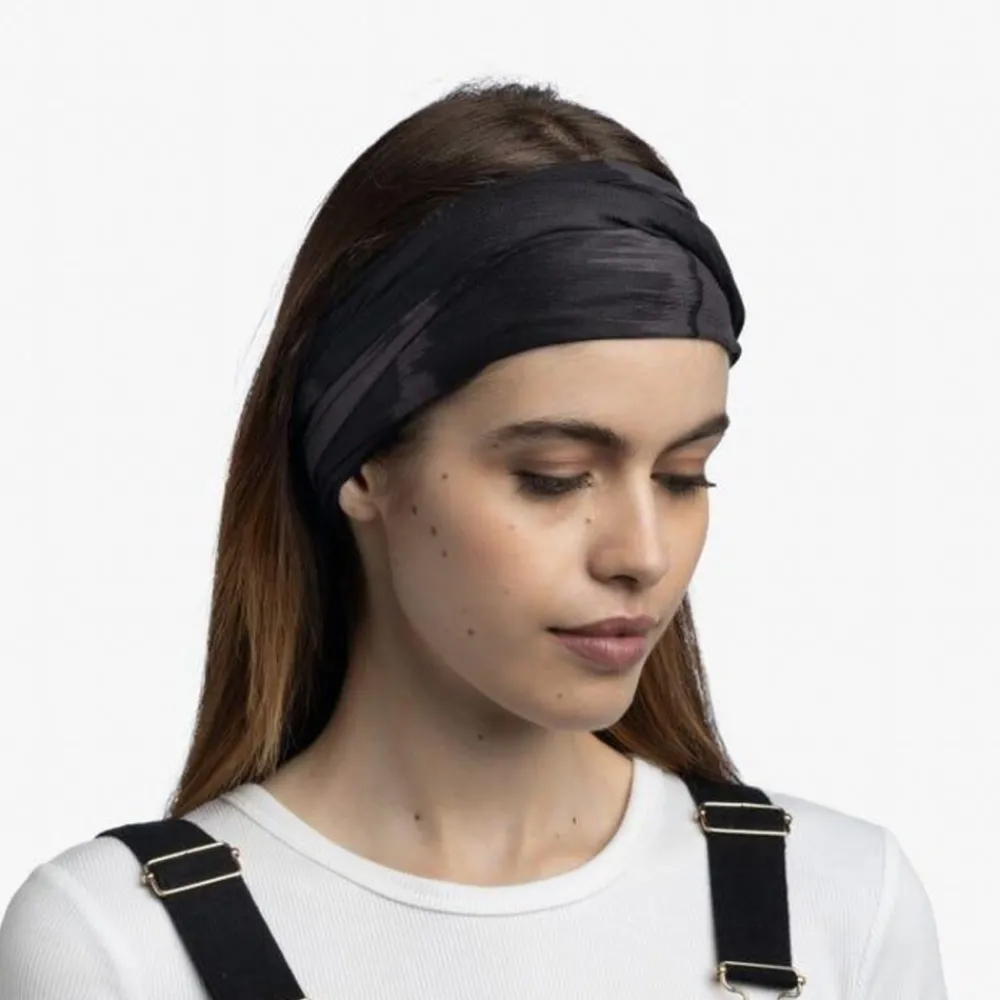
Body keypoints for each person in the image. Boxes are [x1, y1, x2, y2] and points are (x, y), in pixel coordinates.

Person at [0, 79, 948, 999]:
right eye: (553, 476)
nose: (643, 555)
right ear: (363, 465)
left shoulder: (841, 904)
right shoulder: (115, 949)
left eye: (682, 476)